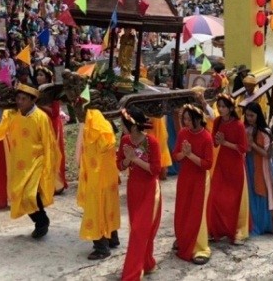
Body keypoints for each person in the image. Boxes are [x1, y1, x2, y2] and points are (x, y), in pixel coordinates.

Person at [0, 83, 61, 238]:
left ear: (32, 100)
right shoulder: (12, 114)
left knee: (30, 194)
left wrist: (49, 163)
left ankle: (42, 222)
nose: (19, 101)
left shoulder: (41, 117)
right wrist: (0, 110)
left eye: (23, 98)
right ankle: (39, 220)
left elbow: (49, 142)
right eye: (18, 98)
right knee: (19, 195)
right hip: (18, 162)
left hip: (36, 160)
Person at [116, 107, 162, 280]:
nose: (121, 126)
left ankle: (132, 274)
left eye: (123, 124)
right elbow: (119, 165)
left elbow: (156, 170)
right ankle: (148, 262)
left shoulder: (152, 142)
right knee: (139, 230)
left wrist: (135, 159)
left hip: (150, 189)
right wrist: (128, 159)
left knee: (138, 231)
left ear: (134, 127)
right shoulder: (125, 141)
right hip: (133, 188)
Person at [76, 102, 120, 261]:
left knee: (96, 209)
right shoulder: (92, 124)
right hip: (100, 174)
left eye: (79, 107)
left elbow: (107, 143)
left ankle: (102, 247)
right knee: (107, 205)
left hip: (99, 175)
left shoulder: (99, 125)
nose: (77, 112)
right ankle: (112, 238)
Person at [172, 104, 214, 265]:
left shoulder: (206, 137)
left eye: (189, 119)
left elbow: (207, 164)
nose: (186, 122)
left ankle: (200, 247)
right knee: (183, 209)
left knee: (197, 213)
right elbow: (176, 155)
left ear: (197, 119)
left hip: (200, 180)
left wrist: (190, 155)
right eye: (184, 119)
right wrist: (185, 154)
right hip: (185, 178)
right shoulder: (183, 133)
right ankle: (183, 239)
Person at [206, 93, 249, 245]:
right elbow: (215, 143)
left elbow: (243, 148)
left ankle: (236, 230)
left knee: (233, 199)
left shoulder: (238, 125)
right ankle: (215, 229)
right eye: (219, 106)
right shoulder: (217, 121)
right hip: (222, 163)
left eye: (224, 106)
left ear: (231, 108)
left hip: (235, 165)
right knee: (216, 197)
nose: (221, 109)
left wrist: (225, 142)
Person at [243, 102, 273, 236]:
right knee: (252, 192)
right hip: (250, 164)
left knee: (263, 192)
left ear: (258, 115)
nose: (249, 118)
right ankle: (253, 223)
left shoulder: (265, 132)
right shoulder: (245, 130)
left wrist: (253, 145)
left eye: (252, 115)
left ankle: (264, 223)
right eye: (247, 115)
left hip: (263, 167)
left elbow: (268, 154)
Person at [35, 66, 67, 193]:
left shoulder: (53, 91)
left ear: (48, 77)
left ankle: (56, 184)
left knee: (53, 152)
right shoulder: (36, 90)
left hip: (52, 124)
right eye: (37, 75)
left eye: (41, 75)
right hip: (40, 125)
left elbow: (54, 112)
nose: (38, 77)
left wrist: (39, 105)